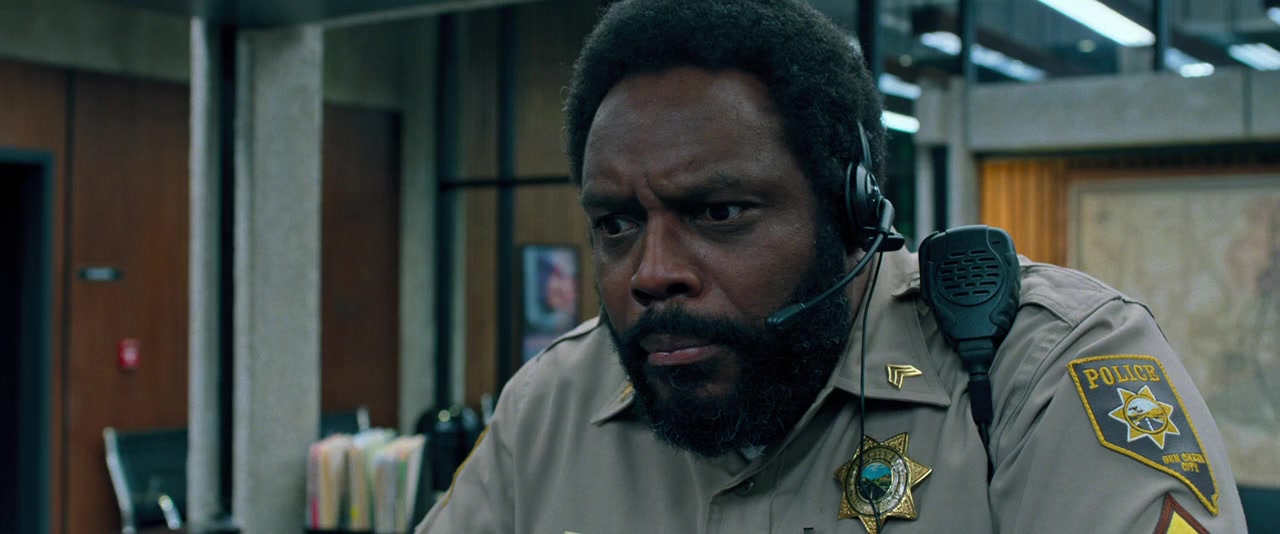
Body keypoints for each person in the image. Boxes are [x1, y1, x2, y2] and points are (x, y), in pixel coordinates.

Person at [417, 0, 1247, 531]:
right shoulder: (552, 408)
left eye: (718, 213)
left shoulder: (1041, 371)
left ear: (853, 210)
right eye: (617, 224)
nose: (652, 272)